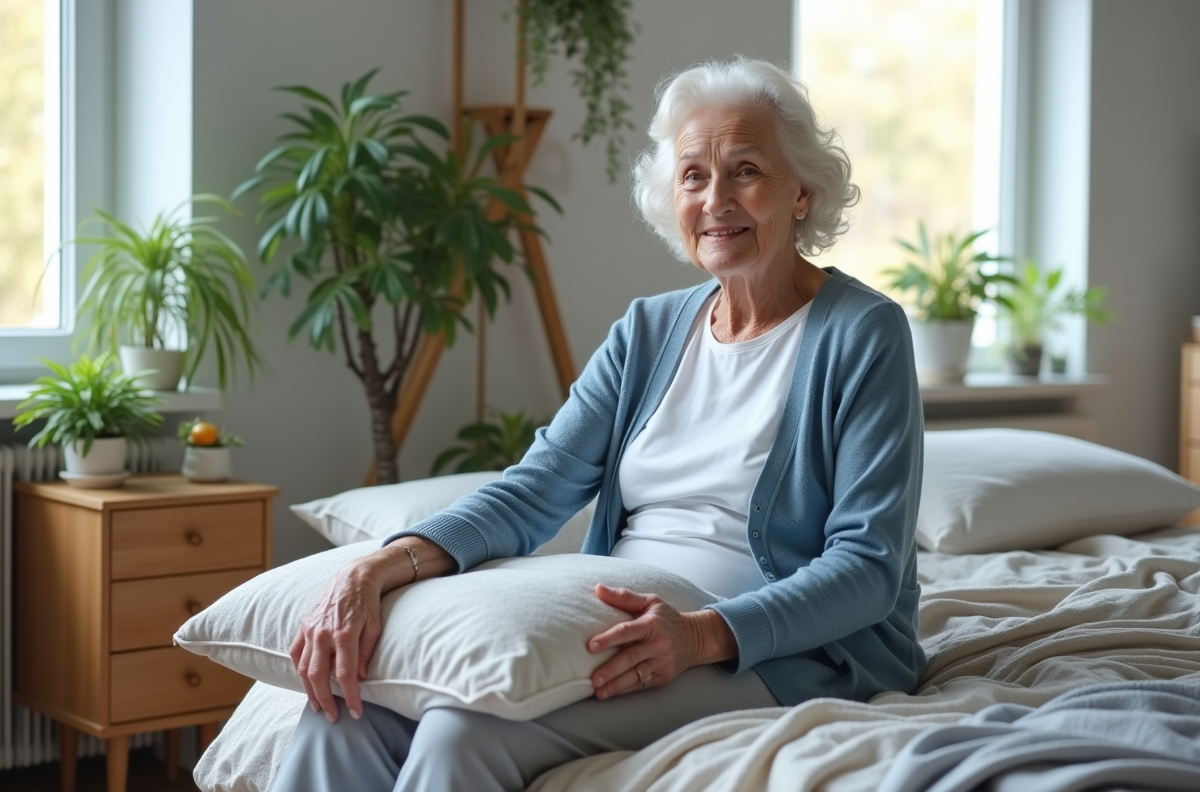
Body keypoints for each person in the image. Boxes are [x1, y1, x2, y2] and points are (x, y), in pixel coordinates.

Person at [271, 56, 926, 792]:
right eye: (693, 175)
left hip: (776, 653)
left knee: (463, 735)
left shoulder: (863, 332)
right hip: (614, 624)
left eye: (746, 170)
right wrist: (377, 566)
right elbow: (534, 489)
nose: (716, 199)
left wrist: (701, 635)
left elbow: (868, 568)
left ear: (802, 192)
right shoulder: (648, 331)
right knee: (344, 710)